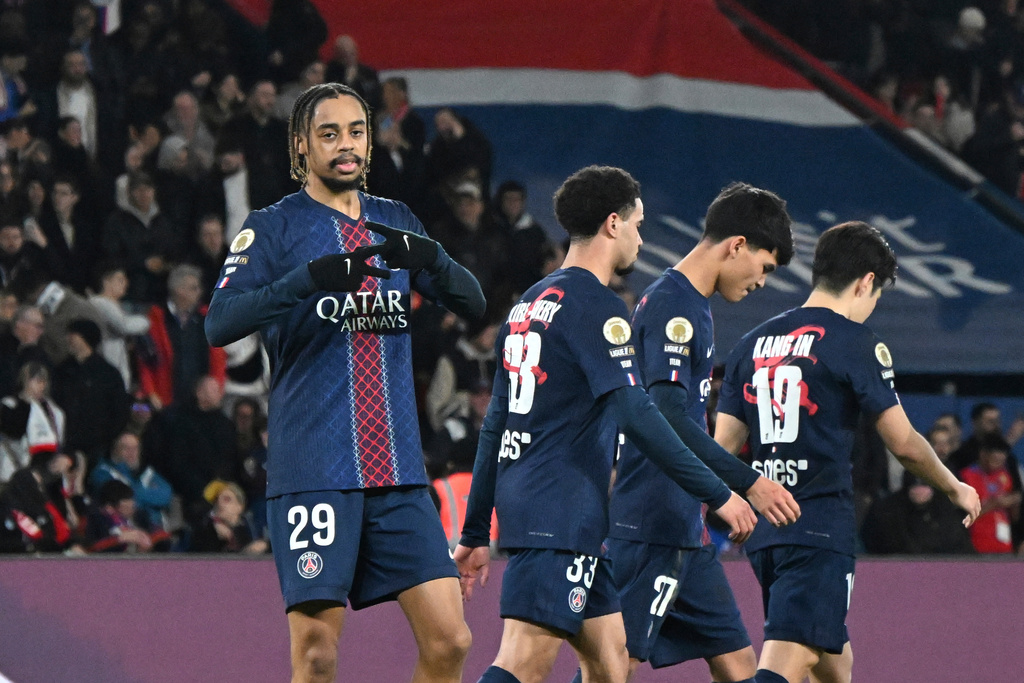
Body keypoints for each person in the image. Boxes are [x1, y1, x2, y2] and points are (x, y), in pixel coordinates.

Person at [204, 82, 485, 683]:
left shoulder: (394, 220)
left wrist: (430, 259)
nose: (346, 145)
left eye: (356, 131)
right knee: (317, 655)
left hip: (399, 473)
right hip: (314, 469)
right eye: (329, 134)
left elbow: (474, 301)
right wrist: (309, 279)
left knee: (451, 640)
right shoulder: (273, 228)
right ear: (301, 145)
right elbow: (220, 324)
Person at [454, 165, 758, 683]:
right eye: (639, 224)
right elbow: (638, 414)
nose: (641, 237)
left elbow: (495, 426)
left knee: (610, 662)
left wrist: (476, 528)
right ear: (613, 223)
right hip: (559, 509)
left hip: (556, 511)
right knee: (524, 660)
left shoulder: (527, 305)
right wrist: (719, 491)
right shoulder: (596, 306)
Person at [712, 221, 981, 683]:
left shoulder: (748, 345)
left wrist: (730, 501)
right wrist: (954, 485)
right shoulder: (855, 342)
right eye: (877, 296)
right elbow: (905, 445)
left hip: (765, 534)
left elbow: (721, 449)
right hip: (817, 529)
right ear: (866, 282)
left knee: (833, 666)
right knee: (787, 661)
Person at [593, 183, 800, 683]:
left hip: (684, 525)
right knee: (613, 666)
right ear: (737, 246)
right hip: (651, 522)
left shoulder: (690, 302)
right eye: (765, 268)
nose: (762, 283)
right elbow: (666, 414)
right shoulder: (673, 305)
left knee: (738, 666)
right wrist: (744, 482)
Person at [860, 471, 975, 555]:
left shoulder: (946, 509)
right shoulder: (888, 511)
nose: (920, 491)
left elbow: (959, 544)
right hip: (898, 568)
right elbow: (876, 543)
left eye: (924, 486)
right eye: (915, 487)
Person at [959, 434, 1020, 554]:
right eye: (994, 458)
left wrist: (1015, 503)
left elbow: (1014, 517)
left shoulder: (1005, 476)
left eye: (1002, 459)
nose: (998, 462)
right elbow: (964, 516)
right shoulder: (967, 476)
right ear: (983, 454)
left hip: (1005, 546)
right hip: (977, 546)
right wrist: (994, 504)